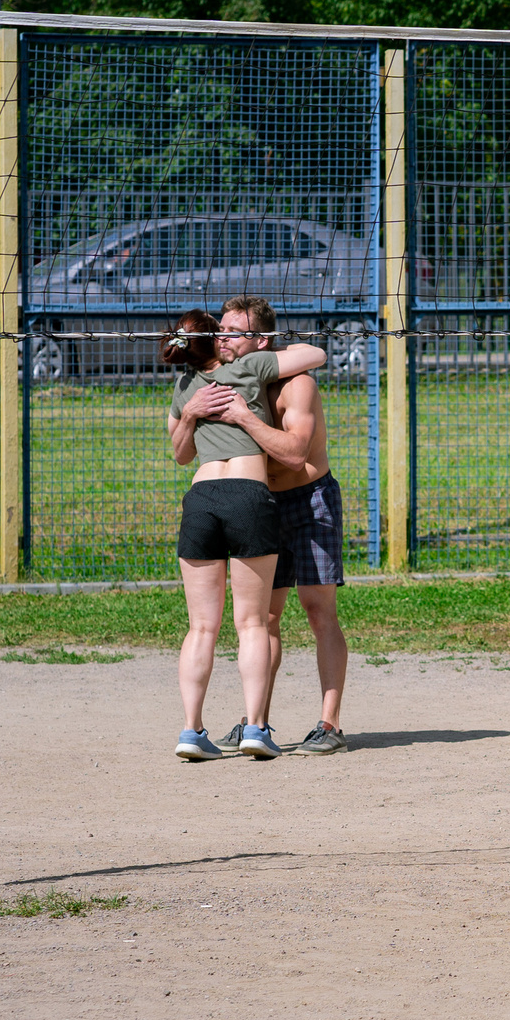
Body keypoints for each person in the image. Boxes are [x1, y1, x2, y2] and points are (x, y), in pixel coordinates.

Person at [163, 308, 326, 761]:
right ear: (212, 339)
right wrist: (270, 343)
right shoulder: (249, 367)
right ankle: (256, 728)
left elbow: (180, 455)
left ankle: (192, 731)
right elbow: (317, 353)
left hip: (200, 499)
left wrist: (191, 415)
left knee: (201, 627)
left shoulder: (184, 387)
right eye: (222, 331)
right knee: (252, 623)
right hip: (248, 497)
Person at [196, 295, 350, 757]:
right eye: (219, 328)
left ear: (260, 341)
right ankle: (254, 721)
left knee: (318, 610)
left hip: (310, 498)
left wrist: (243, 416)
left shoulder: (295, 386)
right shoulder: (225, 379)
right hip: (261, 502)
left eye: (231, 330)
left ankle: (330, 724)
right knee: (263, 618)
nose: (220, 336)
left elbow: (294, 454)